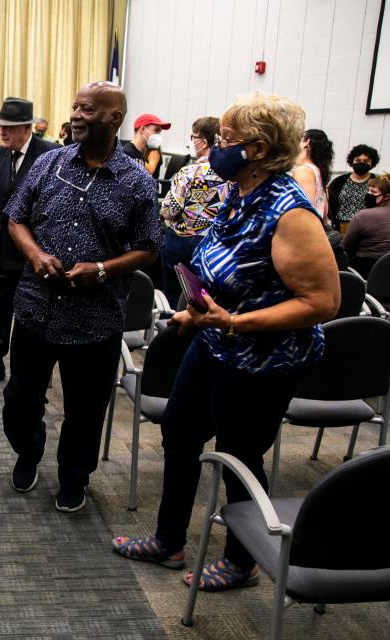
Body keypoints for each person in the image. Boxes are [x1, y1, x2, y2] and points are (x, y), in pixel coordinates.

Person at [113, 92, 340, 593]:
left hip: (262, 359)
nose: (215, 147)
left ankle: (242, 561)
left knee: (239, 455)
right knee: (179, 432)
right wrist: (202, 311)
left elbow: (323, 302)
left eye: (225, 140)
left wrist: (234, 322)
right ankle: (169, 540)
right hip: (215, 341)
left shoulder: (289, 213)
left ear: (257, 150)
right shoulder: (238, 191)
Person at [3, 82, 162, 512]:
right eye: (74, 106)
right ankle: (28, 450)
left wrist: (104, 269)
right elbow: (15, 217)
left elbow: (150, 246)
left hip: (96, 318)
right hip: (37, 309)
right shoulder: (48, 163)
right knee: (20, 398)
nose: (75, 114)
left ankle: (74, 477)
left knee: (85, 410)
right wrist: (35, 254)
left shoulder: (136, 182)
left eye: (86, 109)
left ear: (114, 118)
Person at [0, 97, 59, 383]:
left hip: (36, 250)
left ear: (27, 128)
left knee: (30, 310)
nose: (2, 132)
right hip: (3, 247)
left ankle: (28, 370)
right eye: (1, 126)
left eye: (10, 127)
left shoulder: (50, 154)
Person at [159, 116, 230, 307]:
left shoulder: (189, 172)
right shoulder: (231, 175)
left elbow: (169, 210)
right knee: (204, 299)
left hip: (181, 241)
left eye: (193, 137)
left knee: (173, 298)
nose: (191, 141)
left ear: (204, 142)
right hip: (213, 243)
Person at [292, 129, 348, 269]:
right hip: (319, 237)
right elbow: (324, 212)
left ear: (307, 143)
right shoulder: (317, 171)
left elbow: (306, 211)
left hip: (307, 242)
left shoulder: (303, 171)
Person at [344, 174, 390, 277]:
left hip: (365, 271)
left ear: (386, 196)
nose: (368, 194)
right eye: (368, 190)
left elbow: (346, 246)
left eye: (373, 192)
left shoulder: (363, 215)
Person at [329, 143, 381, 231]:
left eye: (366, 161)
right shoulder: (339, 182)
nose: (361, 163)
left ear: (372, 163)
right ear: (352, 161)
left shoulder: (378, 182)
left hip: (369, 227)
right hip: (342, 227)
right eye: (358, 160)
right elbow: (329, 204)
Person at [121, 113, 170, 178]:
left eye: (159, 132)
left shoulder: (140, 154)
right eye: (156, 130)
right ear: (143, 129)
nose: (158, 135)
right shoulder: (126, 153)